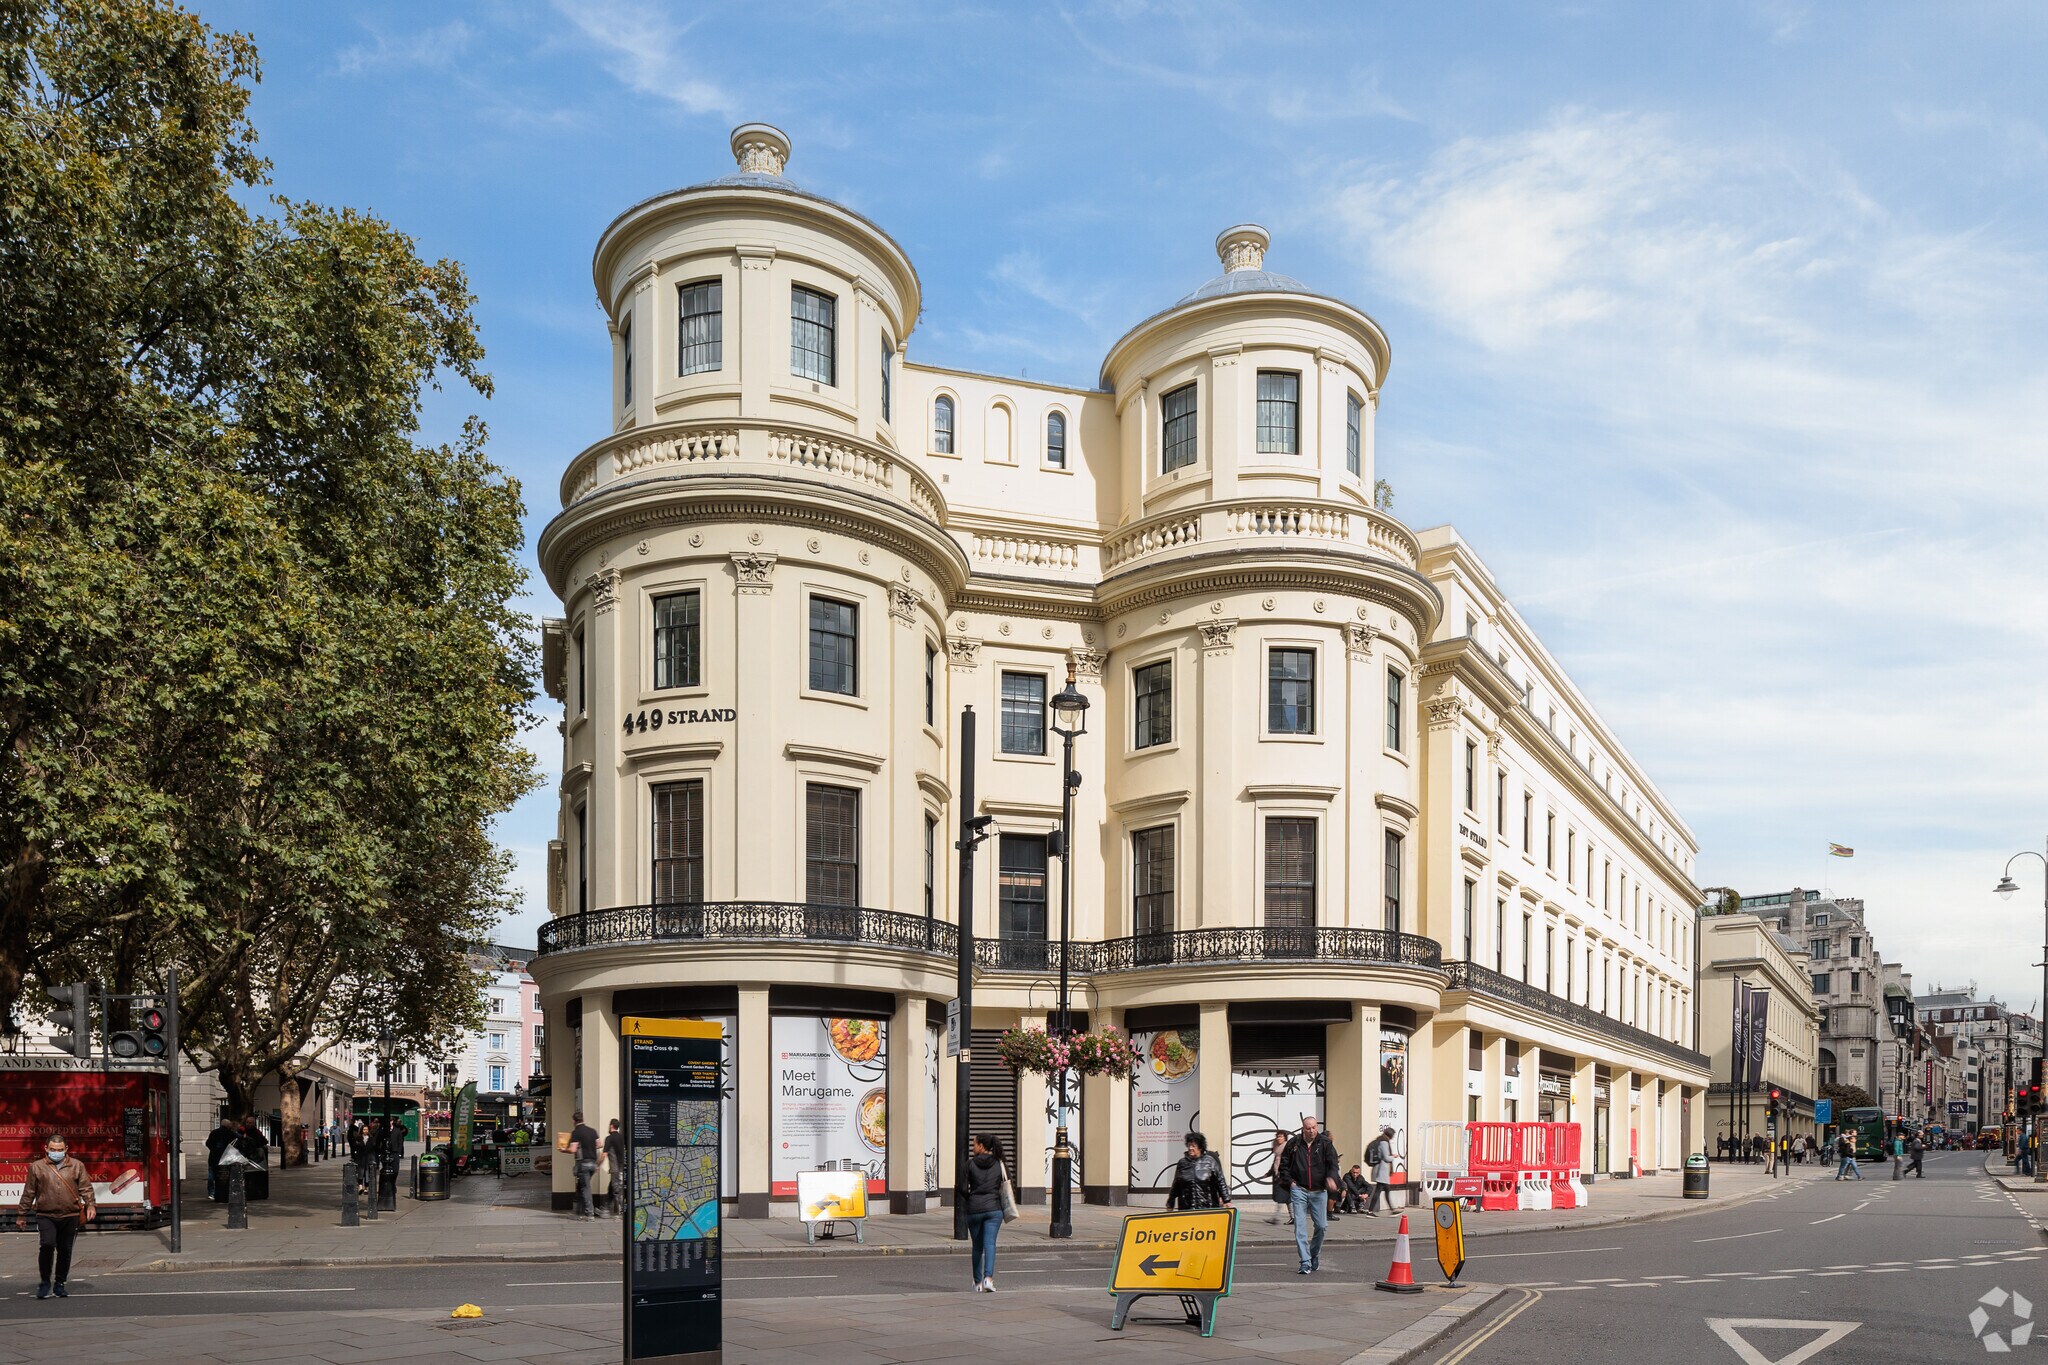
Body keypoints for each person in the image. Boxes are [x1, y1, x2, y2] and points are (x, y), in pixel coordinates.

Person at [20, 1133, 94, 1299]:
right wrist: (21, 1214)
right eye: (53, 1149)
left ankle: (60, 1283)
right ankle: (45, 1282)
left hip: (70, 1214)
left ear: (66, 1149)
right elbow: (29, 1192)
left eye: (59, 1149)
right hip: (46, 1214)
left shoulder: (77, 1166)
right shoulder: (37, 1167)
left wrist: (91, 1204)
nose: (56, 1152)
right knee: (47, 1245)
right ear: (46, 1148)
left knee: (65, 1250)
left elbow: (86, 1188)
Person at [1279, 1114, 1341, 1275]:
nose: (1312, 1131)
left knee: (1321, 1226)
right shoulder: (1294, 1143)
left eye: (1314, 1127)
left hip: (1319, 1191)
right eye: (1308, 1128)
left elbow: (1333, 1164)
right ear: (1303, 1129)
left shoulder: (1325, 1143)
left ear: (1317, 1127)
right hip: (1299, 1189)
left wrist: (1331, 1178)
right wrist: (1290, 1182)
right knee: (1299, 1227)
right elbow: (1283, 1165)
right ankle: (1305, 1261)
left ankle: (1313, 1254)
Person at [959, 1133, 1008, 1292]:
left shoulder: (969, 1164)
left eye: (974, 1144)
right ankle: (988, 1279)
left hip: (974, 1210)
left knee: (977, 1247)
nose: (972, 1147)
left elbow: (962, 1189)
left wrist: (971, 1198)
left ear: (981, 1146)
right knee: (990, 1244)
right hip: (994, 1209)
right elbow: (1008, 1184)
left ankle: (978, 1283)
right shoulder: (999, 1163)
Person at [1165, 1132, 1230, 1211]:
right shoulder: (1182, 1163)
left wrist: (1226, 1200)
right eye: (1189, 1145)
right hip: (1187, 1207)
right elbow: (1176, 1185)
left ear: (1200, 1147)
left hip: (1208, 1207)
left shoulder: (1210, 1161)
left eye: (1193, 1146)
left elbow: (1220, 1181)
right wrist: (1170, 1203)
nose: (1190, 1148)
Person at [569, 1110, 601, 1217]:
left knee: (585, 1188)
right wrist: (590, 1146)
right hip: (593, 1163)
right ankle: (579, 1211)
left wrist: (564, 1149)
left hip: (583, 1164)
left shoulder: (576, 1132)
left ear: (574, 1121)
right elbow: (599, 1144)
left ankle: (590, 1213)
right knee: (582, 1186)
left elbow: (573, 1149)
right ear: (583, 1119)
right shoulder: (592, 1131)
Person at [1364, 1125, 1396, 1216]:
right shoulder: (1384, 1142)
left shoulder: (1380, 1140)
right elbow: (1386, 1158)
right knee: (1378, 1191)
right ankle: (1370, 1211)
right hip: (1382, 1171)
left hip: (1381, 1171)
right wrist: (1393, 1156)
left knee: (1386, 1190)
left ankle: (1392, 1210)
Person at [204, 1115, 239, 1200]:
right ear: (227, 1125)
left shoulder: (214, 1132)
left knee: (211, 1174)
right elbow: (238, 1138)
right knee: (223, 1174)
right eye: (230, 1125)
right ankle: (222, 1191)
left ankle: (211, 1192)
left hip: (213, 1156)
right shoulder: (230, 1133)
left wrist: (213, 1149)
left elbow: (208, 1143)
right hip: (225, 1157)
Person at [603, 1119, 630, 1217]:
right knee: (612, 1187)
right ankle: (605, 1207)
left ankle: (620, 1211)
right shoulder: (622, 1138)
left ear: (611, 1126)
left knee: (616, 1189)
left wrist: (598, 1164)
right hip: (623, 1166)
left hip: (615, 1168)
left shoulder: (609, 1138)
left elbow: (604, 1154)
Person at [1266, 1131, 1292, 1225]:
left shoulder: (1287, 1147)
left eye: (1281, 1136)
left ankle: (1276, 1218)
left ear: (1285, 1138)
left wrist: (1285, 1174)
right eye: (1277, 1136)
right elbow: (1275, 1162)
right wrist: (1270, 1172)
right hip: (1278, 1174)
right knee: (1287, 1198)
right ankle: (1293, 1217)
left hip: (1284, 1175)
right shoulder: (1277, 1150)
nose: (1278, 1138)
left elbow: (1289, 1162)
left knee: (1281, 1196)